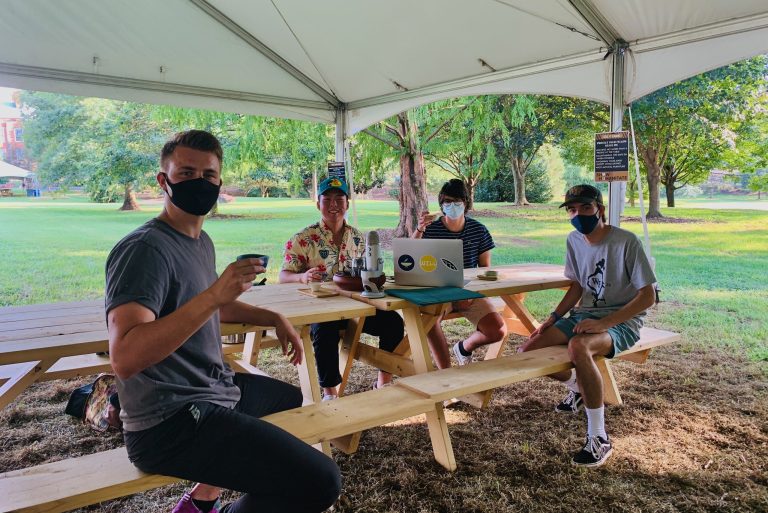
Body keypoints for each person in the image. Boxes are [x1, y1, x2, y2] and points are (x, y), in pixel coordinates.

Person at [105, 130, 341, 513]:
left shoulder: (200, 241)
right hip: (168, 421)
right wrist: (215, 294)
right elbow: (125, 357)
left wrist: (271, 317)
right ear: (163, 180)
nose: (199, 183)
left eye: (208, 175)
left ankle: (202, 500)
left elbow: (204, 307)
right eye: (186, 174)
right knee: (322, 482)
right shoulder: (144, 250)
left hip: (213, 389)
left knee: (288, 400)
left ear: (219, 182)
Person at [518, 184, 656, 468]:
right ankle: (578, 386)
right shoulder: (574, 240)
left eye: (585, 207)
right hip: (584, 316)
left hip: (622, 321)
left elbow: (648, 297)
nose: (578, 215)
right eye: (572, 210)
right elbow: (578, 285)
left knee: (579, 346)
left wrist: (603, 323)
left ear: (599, 210)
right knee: (527, 351)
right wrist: (553, 318)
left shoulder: (626, 241)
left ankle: (598, 437)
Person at [279, 177, 404, 400]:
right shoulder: (303, 238)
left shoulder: (357, 237)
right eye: (327, 199)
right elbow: (283, 276)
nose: (334, 205)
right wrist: (302, 277)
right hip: (319, 309)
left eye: (339, 199)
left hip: (355, 307)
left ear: (347, 203)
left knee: (393, 322)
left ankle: (383, 381)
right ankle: (330, 393)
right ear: (318, 204)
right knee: (324, 328)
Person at [412, 178, 507, 369]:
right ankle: (446, 372)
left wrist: (469, 293)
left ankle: (464, 348)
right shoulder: (431, 229)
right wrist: (420, 228)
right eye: (447, 201)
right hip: (439, 290)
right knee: (429, 321)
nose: (452, 206)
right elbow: (410, 256)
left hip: (469, 290)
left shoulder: (478, 230)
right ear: (441, 204)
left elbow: (484, 269)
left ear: (466, 203)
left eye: (457, 201)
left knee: (497, 330)